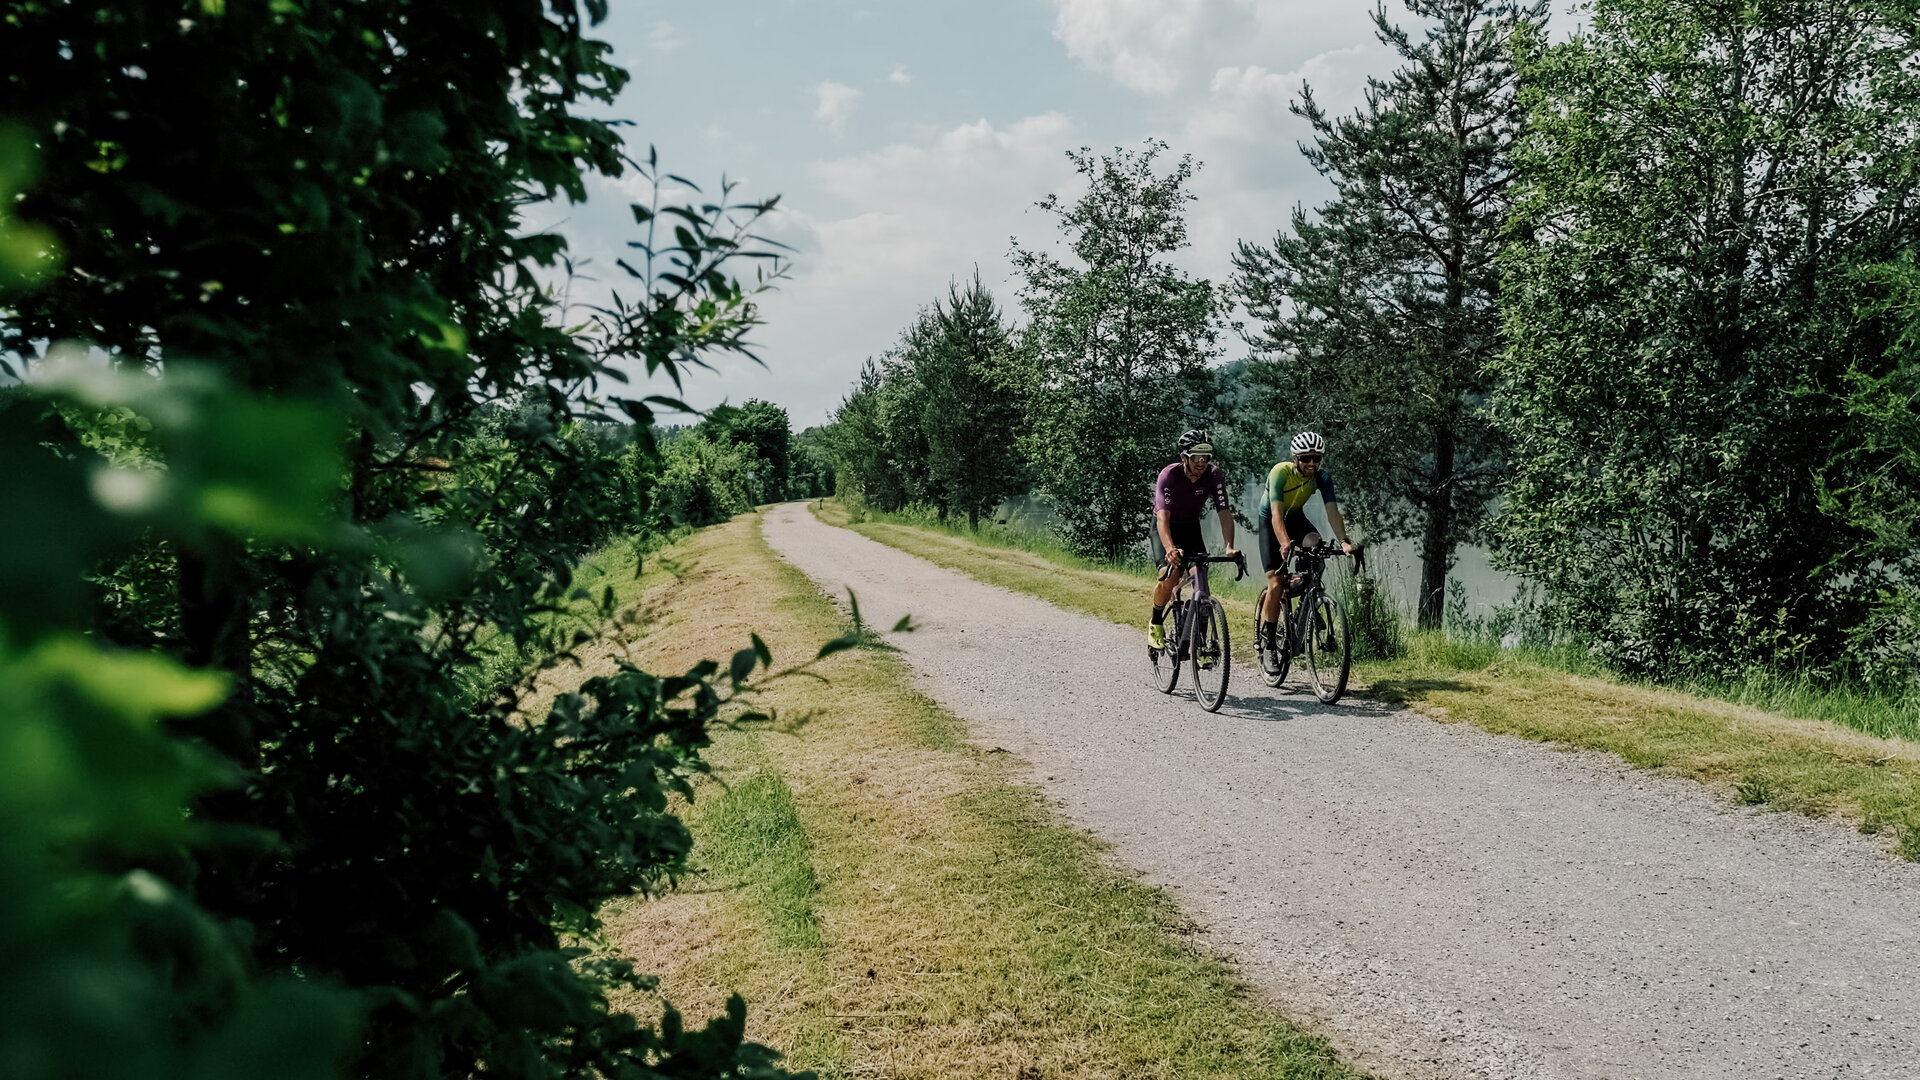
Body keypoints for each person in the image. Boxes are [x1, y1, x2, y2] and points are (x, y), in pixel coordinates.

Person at [1258, 431, 1356, 658]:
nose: (1312, 463)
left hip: (1295, 519)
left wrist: (1344, 541)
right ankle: (1269, 643)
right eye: (1306, 458)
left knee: (1317, 547)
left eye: (1316, 458)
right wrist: (1285, 543)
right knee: (1276, 583)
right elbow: (1276, 515)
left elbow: (1333, 513)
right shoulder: (1280, 472)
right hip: (1271, 522)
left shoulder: (1322, 478)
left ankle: (1307, 602)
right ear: (1295, 458)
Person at [1148, 430, 1238, 649]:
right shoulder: (1169, 475)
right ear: (1184, 457)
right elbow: (1162, 518)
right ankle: (1156, 622)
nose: (1201, 462)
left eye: (1205, 457)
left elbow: (1224, 513)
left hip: (1190, 528)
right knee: (1170, 574)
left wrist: (1229, 546)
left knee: (1201, 577)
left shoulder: (1213, 475)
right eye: (1196, 456)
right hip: (1166, 527)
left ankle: (1201, 642)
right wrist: (1170, 548)